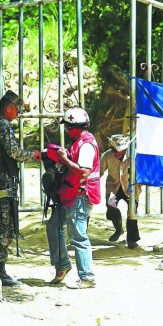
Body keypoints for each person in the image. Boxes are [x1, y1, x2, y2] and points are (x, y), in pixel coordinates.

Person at [0, 90, 41, 286]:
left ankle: (0, 268)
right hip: (1, 179)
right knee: (3, 225)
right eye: (16, 110)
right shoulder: (2, 125)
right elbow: (13, 151)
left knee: (4, 222)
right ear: (8, 108)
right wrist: (33, 154)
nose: (17, 114)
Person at [52, 107, 100, 289]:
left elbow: (83, 171)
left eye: (68, 127)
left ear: (75, 127)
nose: (66, 131)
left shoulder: (86, 145)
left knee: (79, 236)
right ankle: (79, 272)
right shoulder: (80, 141)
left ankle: (87, 277)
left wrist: (64, 160)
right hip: (77, 194)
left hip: (81, 195)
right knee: (70, 232)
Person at [100, 134, 142, 248]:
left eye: (119, 150)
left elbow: (143, 170)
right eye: (114, 149)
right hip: (113, 186)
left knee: (132, 212)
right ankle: (118, 229)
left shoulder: (134, 155)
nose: (116, 152)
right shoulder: (107, 156)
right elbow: (99, 171)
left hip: (131, 187)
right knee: (111, 208)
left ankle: (132, 239)